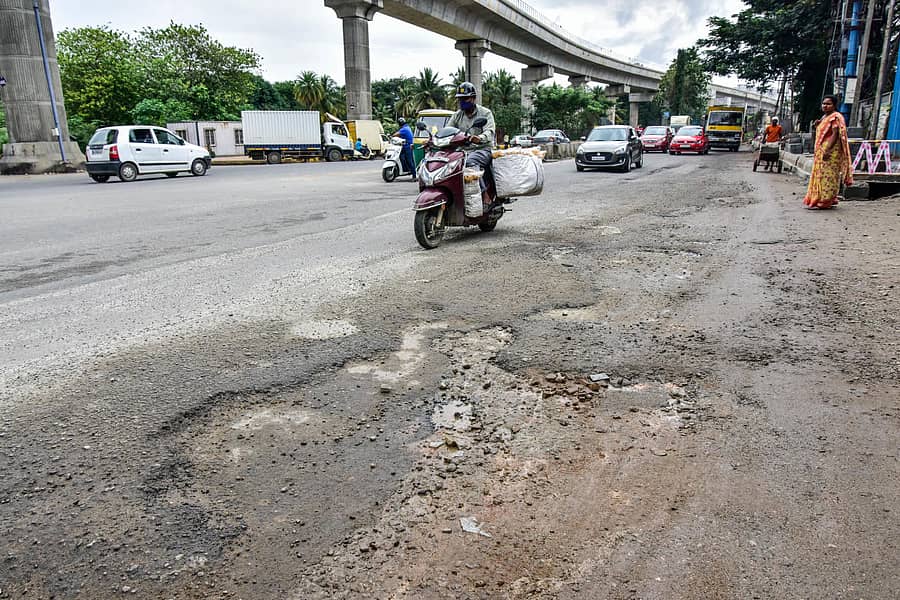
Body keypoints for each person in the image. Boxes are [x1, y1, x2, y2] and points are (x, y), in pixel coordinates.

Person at [447, 81, 496, 203]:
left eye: (466, 98)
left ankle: (484, 195)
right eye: (460, 99)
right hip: (462, 151)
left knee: (469, 162)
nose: (462, 102)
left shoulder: (485, 113)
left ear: (473, 98)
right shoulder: (457, 115)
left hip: (482, 149)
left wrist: (479, 138)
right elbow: (448, 130)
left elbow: (490, 131)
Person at [804, 95, 852, 210]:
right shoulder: (824, 117)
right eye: (824, 103)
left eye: (828, 104)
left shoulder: (835, 117)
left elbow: (835, 134)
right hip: (821, 151)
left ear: (834, 105)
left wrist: (828, 150)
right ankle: (819, 198)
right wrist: (817, 126)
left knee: (828, 176)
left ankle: (825, 200)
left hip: (830, 152)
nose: (825, 106)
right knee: (819, 175)